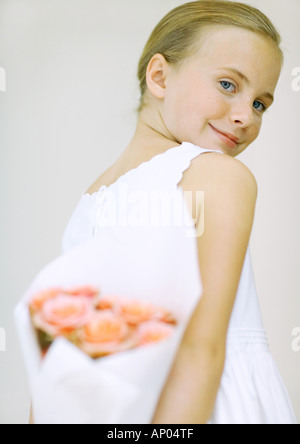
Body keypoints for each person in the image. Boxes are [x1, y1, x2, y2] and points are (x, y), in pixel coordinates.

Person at [61, 1, 297, 424]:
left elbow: (199, 348)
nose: (246, 116)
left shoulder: (93, 199)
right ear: (159, 76)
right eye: (228, 84)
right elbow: (68, 356)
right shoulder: (215, 176)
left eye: (261, 103)